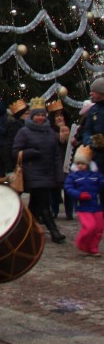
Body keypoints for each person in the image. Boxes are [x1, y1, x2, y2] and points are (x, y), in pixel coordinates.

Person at [12, 97, 66, 244]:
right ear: (32, 116)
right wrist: (29, 153)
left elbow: (56, 155)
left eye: (42, 115)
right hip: (32, 172)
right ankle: (54, 232)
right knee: (44, 202)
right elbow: (15, 152)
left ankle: (24, 231)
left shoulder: (50, 132)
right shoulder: (24, 132)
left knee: (35, 205)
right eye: (37, 115)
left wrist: (59, 175)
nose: (40, 117)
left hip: (47, 172)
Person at [64, 145, 104, 257]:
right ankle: (82, 243)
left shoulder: (96, 175)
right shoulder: (73, 176)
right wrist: (79, 195)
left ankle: (93, 247)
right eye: (78, 163)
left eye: (83, 163)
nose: (80, 166)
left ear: (88, 164)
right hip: (83, 206)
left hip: (96, 205)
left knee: (99, 228)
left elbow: (102, 184)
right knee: (90, 227)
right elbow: (68, 188)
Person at [48, 99, 73, 220]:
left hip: (68, 162)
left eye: (61, 115)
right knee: (54, 188)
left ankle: (69, 212)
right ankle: (54, 210)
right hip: (54, 162)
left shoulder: (71, 129)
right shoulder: (50, 131)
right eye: (56, 116)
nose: (59, 118)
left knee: (68, 187)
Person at [81, 77, 104, 208]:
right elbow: (87, 130)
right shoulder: (93, 110)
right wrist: (88, 141)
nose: (91, 94)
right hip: (99, 156)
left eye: (93, 91)